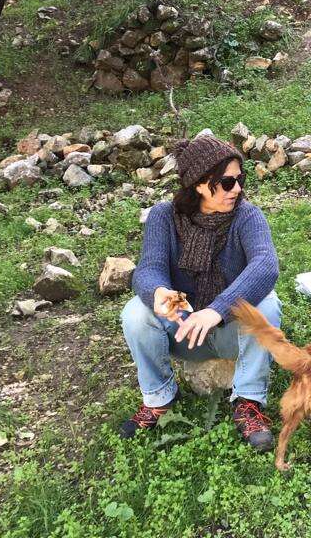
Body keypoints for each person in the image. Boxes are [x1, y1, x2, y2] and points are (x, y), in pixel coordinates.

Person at [119, 133, 282, 450]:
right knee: (135, 313)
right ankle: (159, 397)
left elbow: (265, 265)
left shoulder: (247, 216)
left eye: (239, 179)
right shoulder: (164, 216)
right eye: (226, 182)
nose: (237, 189)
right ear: (197, 184)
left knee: (268, 303)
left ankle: (248, 401)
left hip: (229, 326)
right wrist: (159, 293)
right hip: (184, 321)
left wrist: (216, 310)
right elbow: (148, 267)